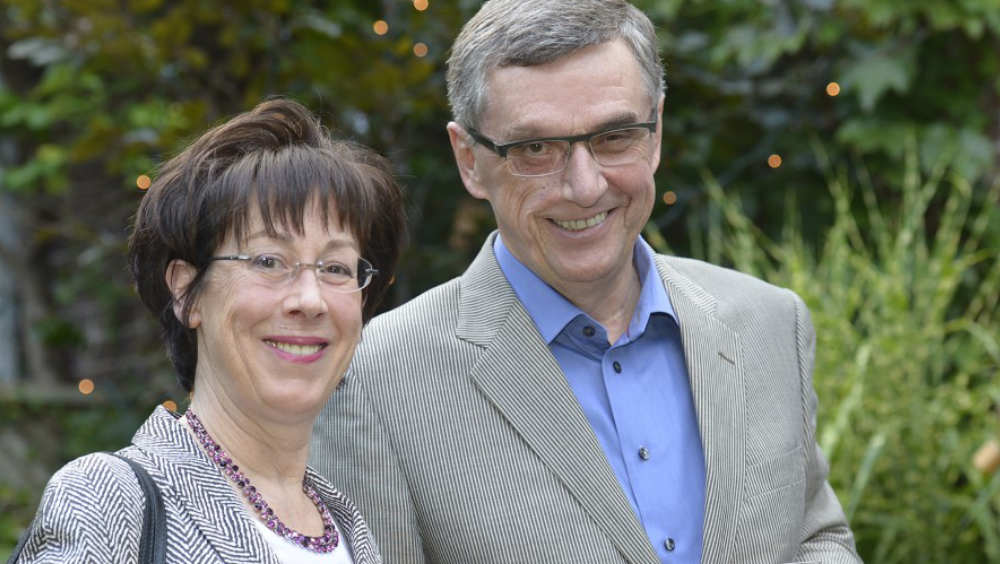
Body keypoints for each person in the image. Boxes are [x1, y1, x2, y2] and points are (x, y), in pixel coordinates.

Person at [311, 1, 863, 563]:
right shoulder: (374, 380)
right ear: (469, 160)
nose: (584, 185)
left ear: (656, 130)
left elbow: (815, 539)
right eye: (534, 149)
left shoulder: (769, 323)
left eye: (615, 135)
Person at [12, 99, 405, 563]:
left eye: (336, 267)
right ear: (188, 292)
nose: (310, 299)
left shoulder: (352, 532)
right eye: (268, 261)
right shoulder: (110, 501)